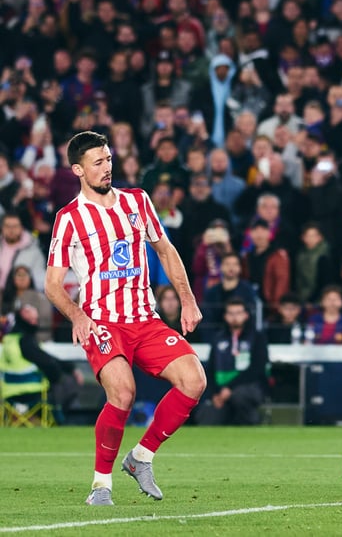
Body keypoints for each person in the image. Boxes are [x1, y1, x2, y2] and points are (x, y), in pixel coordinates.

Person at [45, 131, 207, 506]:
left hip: (144, 319)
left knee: (193, 380)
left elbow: (165, 250)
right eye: (98, 162)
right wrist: (76, 315)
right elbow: (53, 285)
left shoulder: (138, 201)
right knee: (123, 392)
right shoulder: (68, 219)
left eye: (108, 159)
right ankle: (101, 486)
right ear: (78, 170)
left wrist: (187, 299)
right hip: (103, 323)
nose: (107, 168)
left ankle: (140, 458)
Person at [196, 297, 269, 425]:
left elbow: (257, 368)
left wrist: (229, 389)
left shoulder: (257, 337)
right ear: (225, 316)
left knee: (239, 396)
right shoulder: (218, 338)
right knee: (206, 416)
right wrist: (215, 393)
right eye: (231, 313)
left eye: (238, 313)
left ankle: (255, 423)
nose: (235, 317)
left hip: (251, 387)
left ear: (246, 315)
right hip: (221, 391)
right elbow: (211, 368)